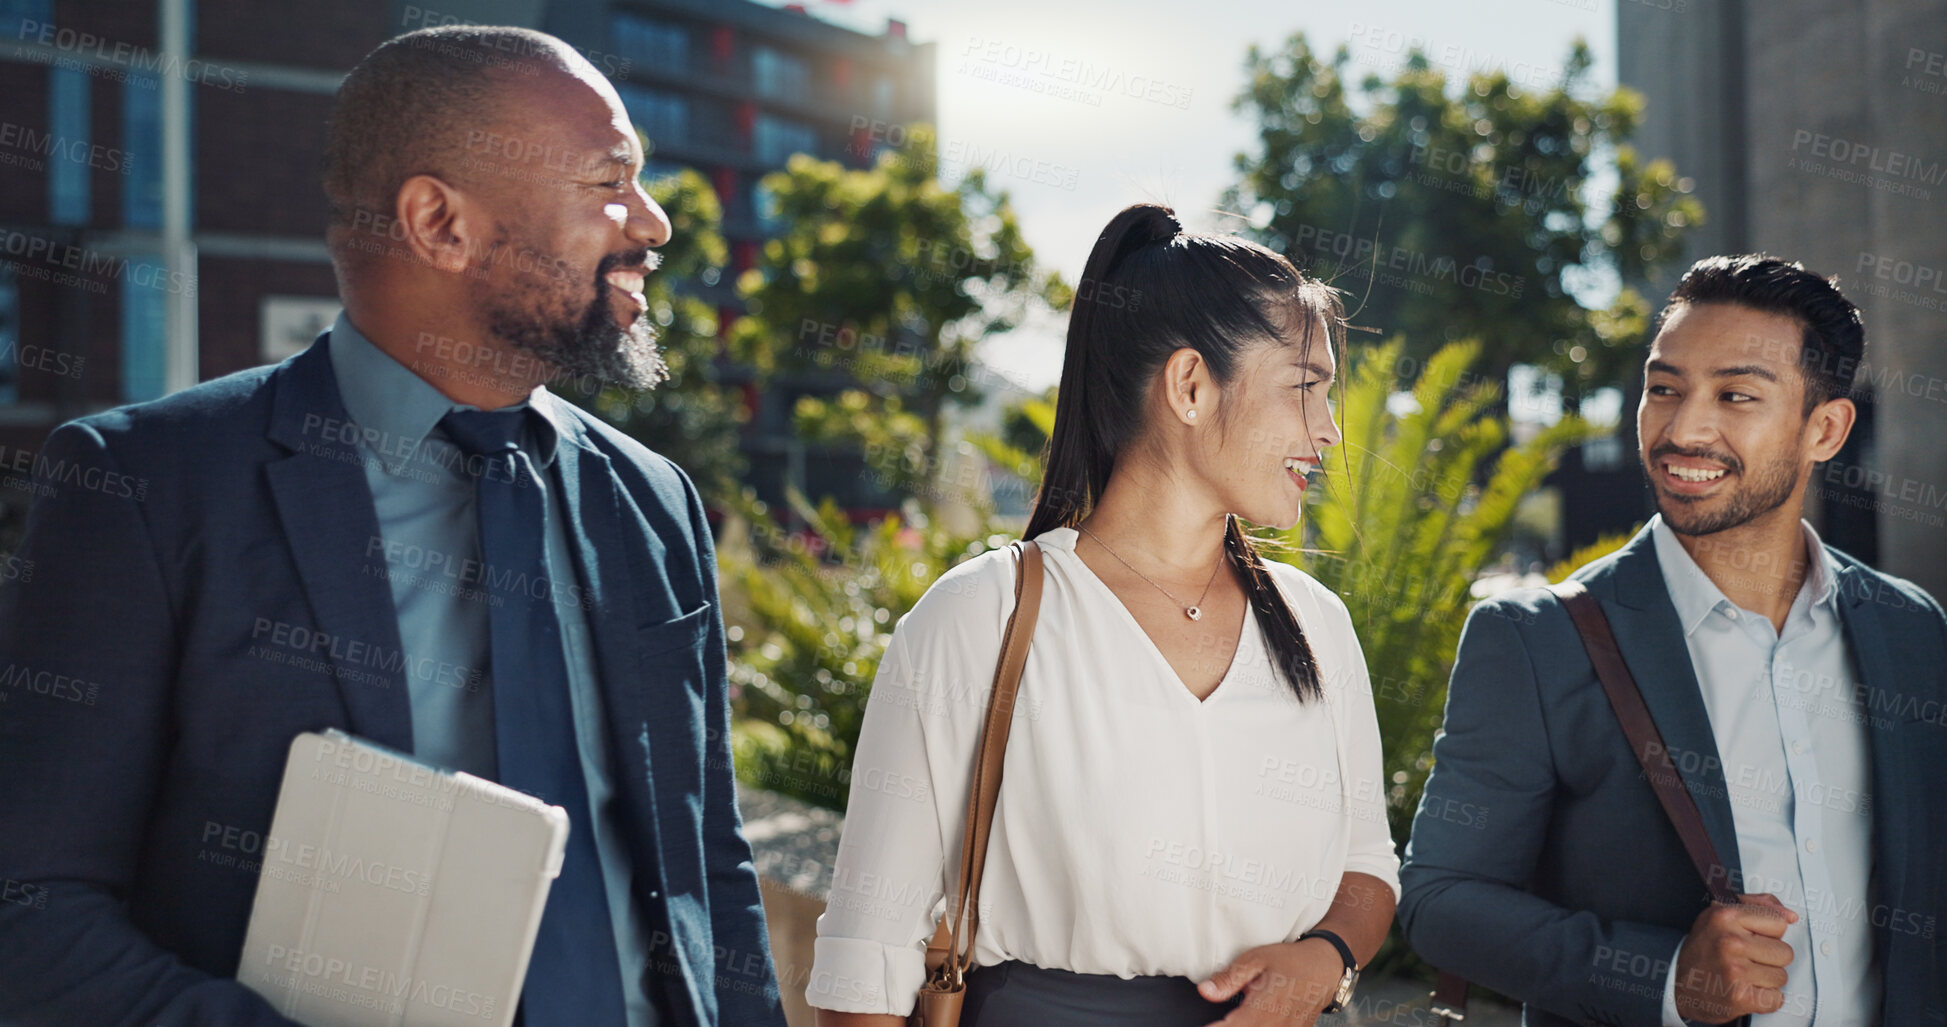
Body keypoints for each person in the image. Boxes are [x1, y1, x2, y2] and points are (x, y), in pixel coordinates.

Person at [0, 26, 784, 1027]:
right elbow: (32, 909)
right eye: (608, 182)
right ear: (438, 222)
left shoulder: (655, 502)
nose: (655, 223)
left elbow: (708, 862)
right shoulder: (147, 486)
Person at [805, 203, 1399, 1027]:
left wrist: (1324, 958)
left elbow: (1369, 867)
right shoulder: (980, 619)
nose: (1329, 431)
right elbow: (866, 961)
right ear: (1190, 385)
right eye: (1306, 389)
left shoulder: (1315, 625)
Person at [1399, 254, 1947, 1026]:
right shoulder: (1536, 640)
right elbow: (1440, 900)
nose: (1683, 428)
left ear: (1823, 428)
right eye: (1664, 389)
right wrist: (1660, 977)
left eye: (1735, 395)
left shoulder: (1910, 629)